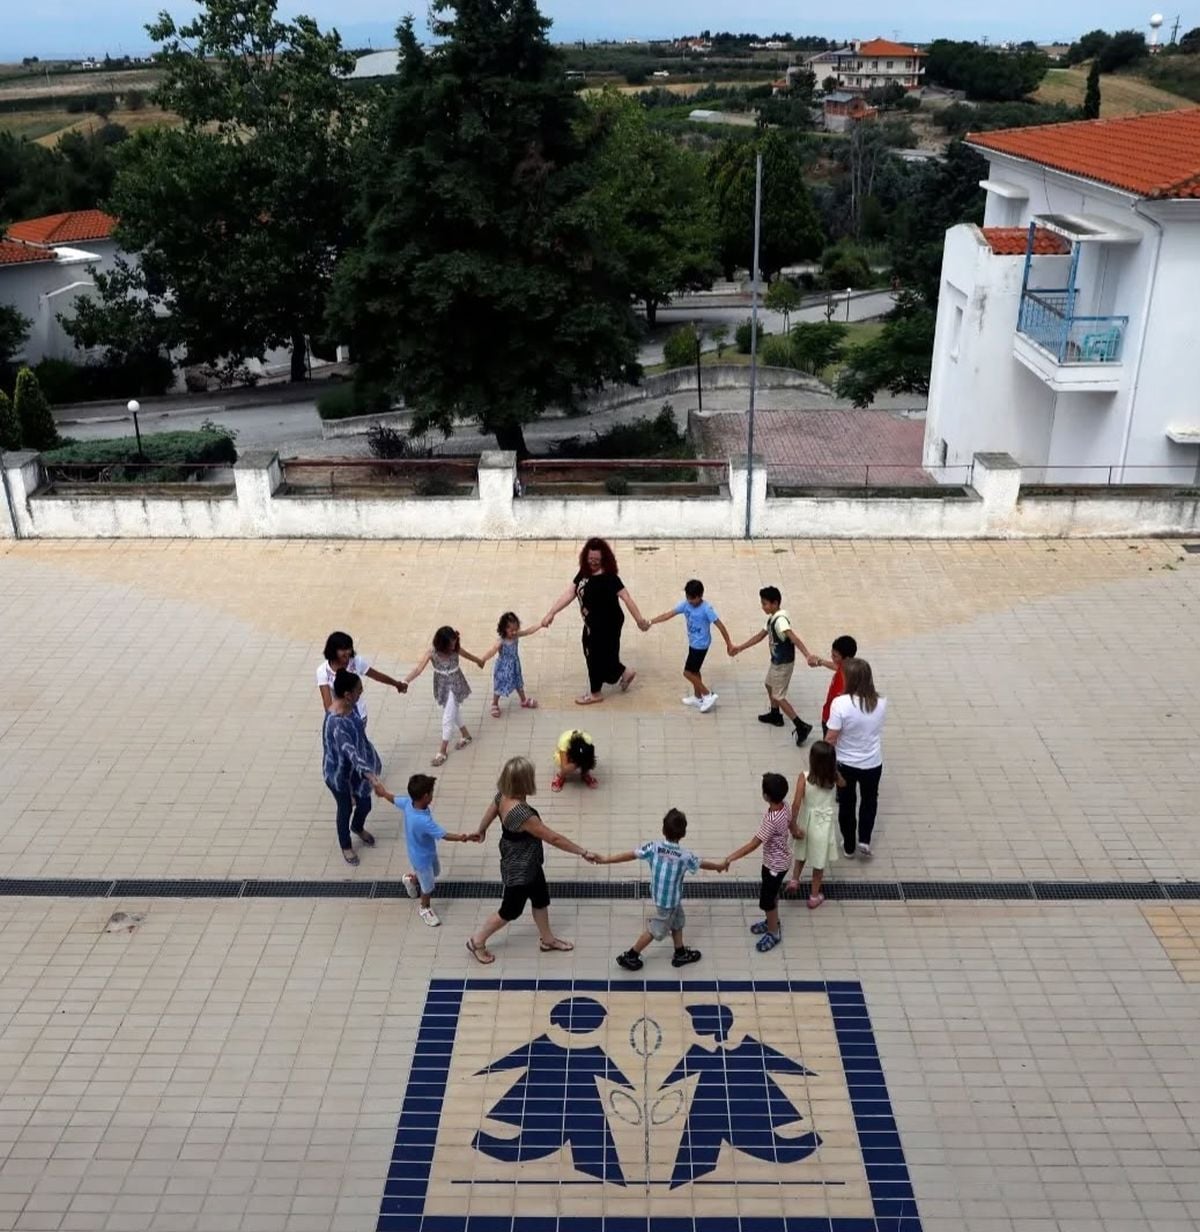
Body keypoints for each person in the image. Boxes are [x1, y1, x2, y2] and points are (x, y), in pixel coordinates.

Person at [466, 756, 594, 964]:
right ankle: (477, 941)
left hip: (528, 862)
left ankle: (548, 940)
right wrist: (582, 852)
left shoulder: (503, 794)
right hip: (521, 868)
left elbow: (492, 809)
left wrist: (481, 830)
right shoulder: (521, 814)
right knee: (510, 910)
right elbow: (552, 837)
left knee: (540, 899)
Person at [593, 807, 724, 970]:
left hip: (660, 895)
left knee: (678, 921)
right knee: (656, 930)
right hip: (669, 901)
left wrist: (606, 859)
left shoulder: (653, 847)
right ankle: (631, 955)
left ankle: (680, 952)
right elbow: (702, 864)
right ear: (683, 834)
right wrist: (719, 866)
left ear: (663, 830)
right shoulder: (685, 856)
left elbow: (631, 855)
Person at [541, 538, 650, 706]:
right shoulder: (584, 572)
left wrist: (639, 620)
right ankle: (625, 672)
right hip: (592, 624)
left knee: (594, 656)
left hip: (608, 624)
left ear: (604, 559)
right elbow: (570, 592)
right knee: (602, 654)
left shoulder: (610, 577)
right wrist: (551, 613)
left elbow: (626, 597)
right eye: (590, 558)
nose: (593, 562)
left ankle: (595, 693)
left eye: (596, 560)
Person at [370, 772, 480, 927]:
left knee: (435, 872)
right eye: (431, 792)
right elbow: (444, 835)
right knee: (428, 887)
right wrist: (465, 838)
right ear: (425, 796)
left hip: (424, 853)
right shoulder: (423, 821)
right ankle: (424, 908)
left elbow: (394, 799)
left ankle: (411, 880)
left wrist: (383, 793)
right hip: (422, 859)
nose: (433, 795)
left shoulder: (409, 803)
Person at [728, 586, 815, 746]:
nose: (763, 607)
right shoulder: (772, 618)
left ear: (775, 603)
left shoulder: (780, 621)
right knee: (769, 684)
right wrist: (740, 648)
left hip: (783, 664)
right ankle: (775, 715)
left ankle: (801, 725)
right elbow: (760, 636)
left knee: (778, 696)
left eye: (765, 604)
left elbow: (794, 638)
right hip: (776, 662)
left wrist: (807, 655)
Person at [722, 772, 793, 953]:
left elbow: (753, 844)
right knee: (773, 893)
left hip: (773, 866)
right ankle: (772, 921)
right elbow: (791, 823)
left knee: (767, 901)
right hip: (782, 861)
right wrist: (797, 832)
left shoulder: (771, 820)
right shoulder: (785, 806)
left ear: (766, 796)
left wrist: (730, 858)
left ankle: (773, 932)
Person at [826, 657, 887, 859]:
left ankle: (849, 845)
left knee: (847, 803)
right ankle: (865, 840)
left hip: (846, 763)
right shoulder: (881, 702)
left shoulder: (840, 704)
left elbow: (831, 737)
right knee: (869, 800)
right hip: (872, 762)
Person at [322, 669, 382, 865]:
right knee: (345, 808)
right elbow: (350, 752)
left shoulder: (351, 706)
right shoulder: (336, 723)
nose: (361, 692)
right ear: (348, 694)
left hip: (357, 771)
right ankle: (346, 845)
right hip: (340, 774)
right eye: (359, 690)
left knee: (365, 804)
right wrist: (370, 775)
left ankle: (357, 827)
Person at [646, 578, 733, 713]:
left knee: (687, 673)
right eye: (688, 597)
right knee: (695, 671)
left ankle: (707, 694)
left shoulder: (707, 609)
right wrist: (651, 622)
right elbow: (668, 614)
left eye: (692, 598)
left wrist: (729, 644)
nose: (690, 601)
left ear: (700, 596)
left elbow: (720, 626)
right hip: (693, 643)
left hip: (701, 646)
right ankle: (698, 698)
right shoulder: (686, 604)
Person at [405, 626, 484, 767]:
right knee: (454, 711)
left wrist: (479, 661)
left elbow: (468, 655)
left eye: (455, 642)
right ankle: (466, 735)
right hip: (442, 686)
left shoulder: (456, 649)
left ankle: (442, 751)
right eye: (450, 643)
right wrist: (405, 681)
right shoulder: (432, 653)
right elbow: (418, 669)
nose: (453, 646)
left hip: (455, 685)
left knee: (448, 717)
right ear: (441, 643)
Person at [786, 740, 841, 909]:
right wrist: (834, 771)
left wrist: (793, 825)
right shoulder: (833, 778)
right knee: (819, 861)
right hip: (823, 824)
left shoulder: (804, 777)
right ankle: (814, 896)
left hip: (806, 820)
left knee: (801, 853)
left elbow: (796, 804)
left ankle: (794, 880)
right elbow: (844, 784)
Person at [316, 631, 407, 725]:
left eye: (349, 648)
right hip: (340, 719)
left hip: (360, 715)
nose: (347, 652)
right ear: (333, 650)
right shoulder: (322, 671)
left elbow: (377, 676)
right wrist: (334, 722)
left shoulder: (357, 662)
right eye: (343, 649)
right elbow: (327, 703)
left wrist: (397, 684)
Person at [478, 612, 540, 718]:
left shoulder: (516, 635)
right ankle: (494, 703)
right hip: (503, 668)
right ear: (504, 629)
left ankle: (523, 700)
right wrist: (483, 659)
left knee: (518, 682)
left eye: (516, 629)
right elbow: (492, 651)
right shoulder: (501, 641)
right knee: (499, 685)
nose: (514, 632)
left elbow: (528, 631)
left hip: (515, 665)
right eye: (511, 630)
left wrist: (541, 624)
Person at [810, 634, 858, 737]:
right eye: (832, 654)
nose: (832, 657)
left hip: (832, 721)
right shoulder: (847, 666)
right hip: (828, 715)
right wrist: (820, 662)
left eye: (835, 656)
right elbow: (836, 666)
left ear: (846, 658)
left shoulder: (844, 683)